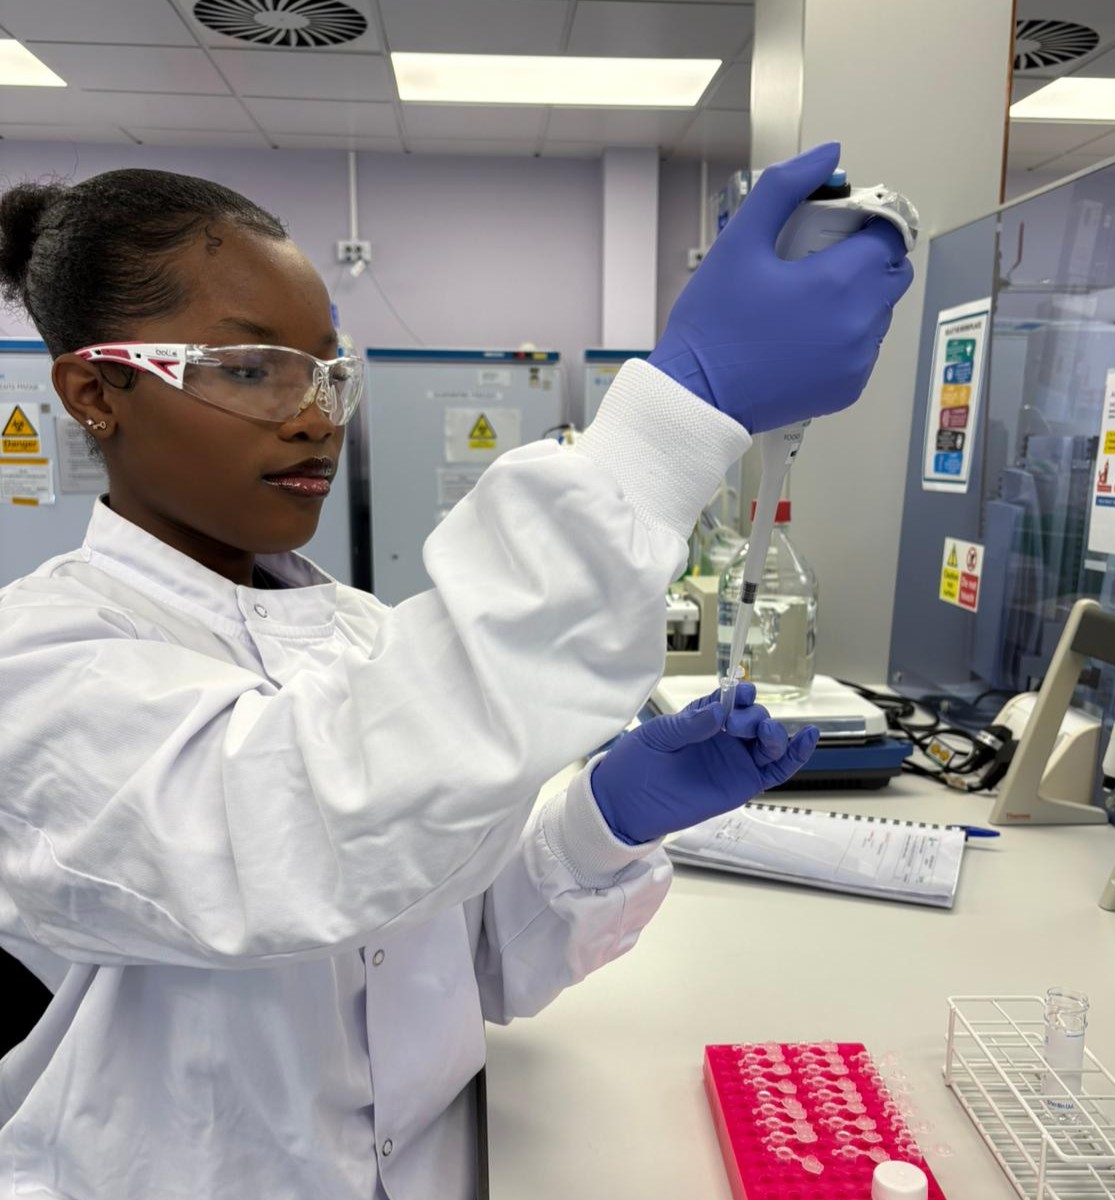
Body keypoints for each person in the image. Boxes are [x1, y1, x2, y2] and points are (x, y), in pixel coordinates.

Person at [0, 143, 912, 1198]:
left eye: (329, 372)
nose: (313, 415)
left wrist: (605, 818)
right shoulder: (39, 662)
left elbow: (453, 955)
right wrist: (666, 428)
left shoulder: (354, 636)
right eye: (250, 369)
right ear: (93, 392)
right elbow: (290, 840)